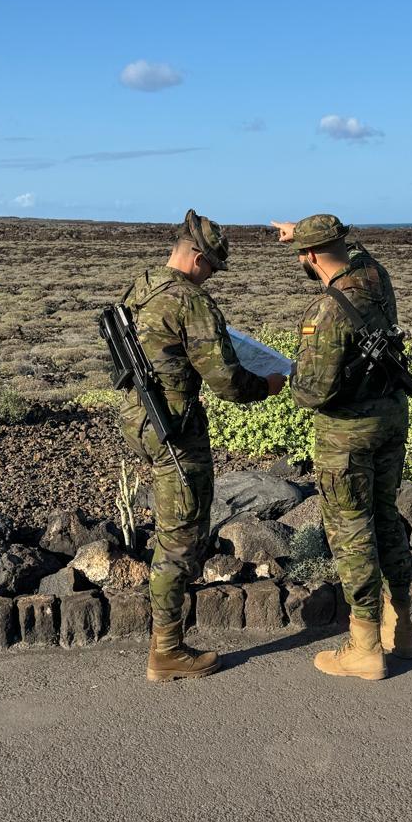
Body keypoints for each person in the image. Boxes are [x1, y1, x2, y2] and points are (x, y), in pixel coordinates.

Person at [120, 209, 286, 682]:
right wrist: (268, 385)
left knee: (172, 525)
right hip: (174, 427)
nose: (211, 275)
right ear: (195, 256)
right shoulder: (191, 301)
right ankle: (166, 651)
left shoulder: (142, 285)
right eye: (211, 266)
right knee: (181, 536)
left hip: (137, 417)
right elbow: (227, 382)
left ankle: (166, 642)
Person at [275, 214, 412, 681]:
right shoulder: (377, 278)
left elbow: (312, 393)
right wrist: (310, 234)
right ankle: (403, 628)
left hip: (347, 435)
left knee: (351, 531)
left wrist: (288, 378)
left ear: (310, 257)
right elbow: (355, 254)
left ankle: (365, 646)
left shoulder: (326, 311)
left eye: (303, 253)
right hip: (391, 416)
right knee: (386, 515)